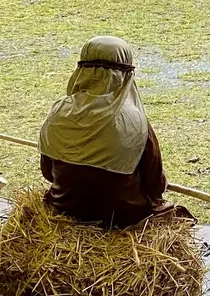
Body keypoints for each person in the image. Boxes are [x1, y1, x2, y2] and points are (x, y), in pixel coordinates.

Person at [37, 36, 188, 229]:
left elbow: (48, 173)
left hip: (64, 208)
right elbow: (155, 185)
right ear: (125, 75)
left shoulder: (59, 112)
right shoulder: (133, 121)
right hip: (123, 217)